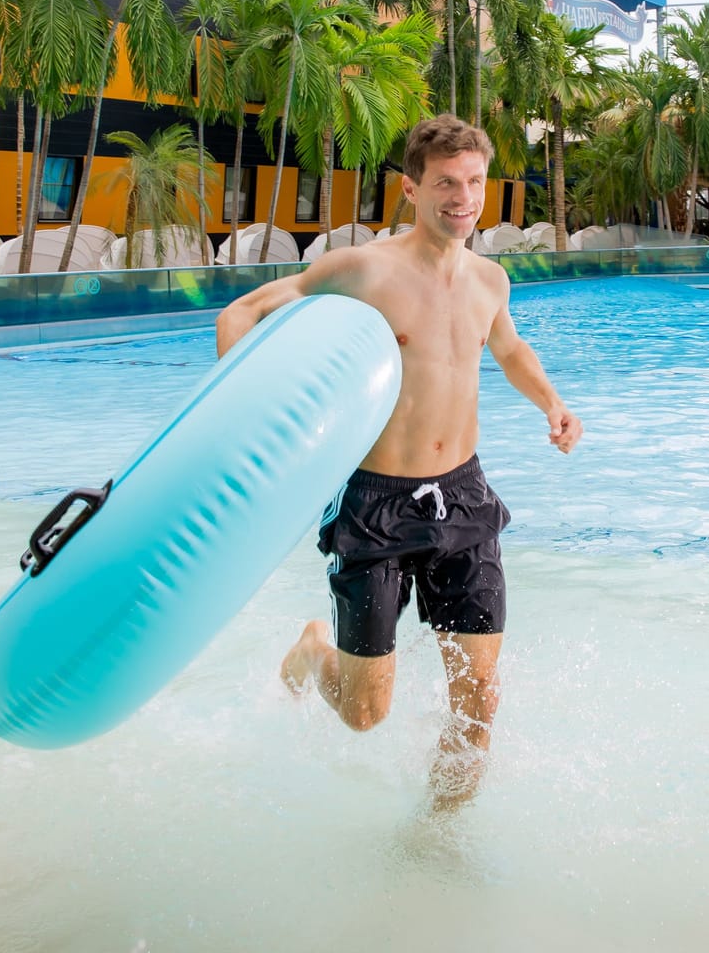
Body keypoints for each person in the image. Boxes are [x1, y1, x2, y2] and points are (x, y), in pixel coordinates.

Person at [214, 115, 581, 810]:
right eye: (446, 183)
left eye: (474, 182)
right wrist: (245, 422)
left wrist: (552, 405)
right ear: (411, 188)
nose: (463, 198)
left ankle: (435, 842)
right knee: (363, 714)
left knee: (478, 700)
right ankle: (311, 648)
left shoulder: (489, 279)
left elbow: (506, 350)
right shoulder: (362, 269)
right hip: (375, 502)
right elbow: (242, 314)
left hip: (464, 498)